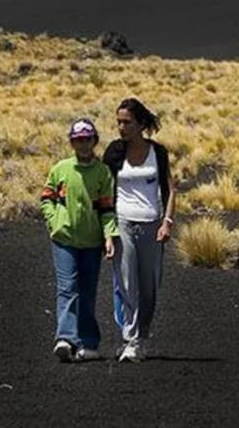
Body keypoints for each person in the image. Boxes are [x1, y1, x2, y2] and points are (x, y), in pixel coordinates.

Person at [103, 97, 175, 363]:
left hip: (152, 225)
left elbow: (170, 190)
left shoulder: (158, 153)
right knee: (126, 284)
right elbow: (104, 189)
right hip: (123, 222)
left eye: (127, 122)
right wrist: (107, 229)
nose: (121, 128)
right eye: (119, 122)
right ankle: (130, 339)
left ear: (141, 124)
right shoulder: (113, 152)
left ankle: (141, 337)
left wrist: (167, 222)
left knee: (149, 287)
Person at [40, 118, 117, 363]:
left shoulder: (102, 172)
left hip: (92, 242)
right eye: (78, 140)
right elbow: (47, 198)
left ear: (95, 141)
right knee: (67, 288)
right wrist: (54, 221)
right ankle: (65, 338)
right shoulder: (61, 169)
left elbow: (106, 209)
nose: (83, 145)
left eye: (87, 139)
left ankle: (88, 343)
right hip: (64, 239)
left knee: (87, 291)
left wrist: (108, 235)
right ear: (71, 142)